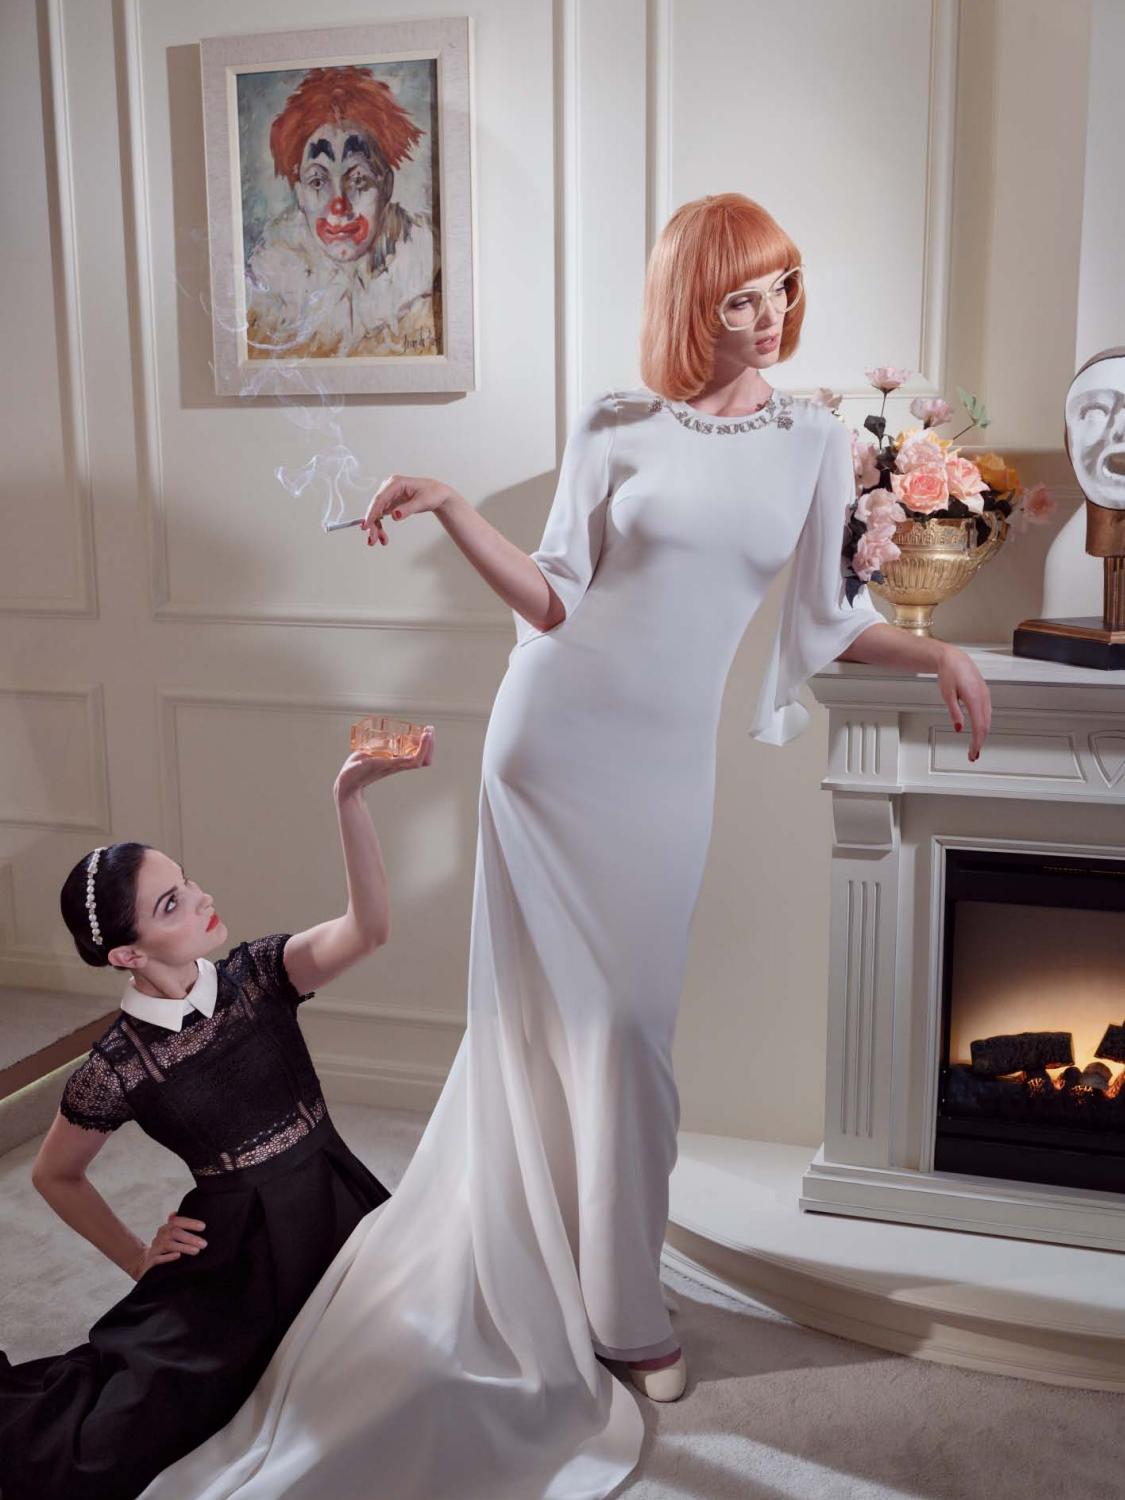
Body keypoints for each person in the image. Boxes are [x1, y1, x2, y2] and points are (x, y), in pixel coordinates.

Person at [138, 194, 992, 1500]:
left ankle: (606, 1283)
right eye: (737, 296)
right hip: (551, 747)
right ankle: (620, 1310)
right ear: (689, 304)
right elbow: (554, 598)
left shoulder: (815, 439)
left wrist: (935, 653)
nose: (766, 315)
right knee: (552, 1028)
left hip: (663, 774)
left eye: (780, 288)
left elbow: (825, 619)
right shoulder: (614, 423)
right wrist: (451, 505)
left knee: (629, 1031)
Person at [0, 733, 433, 1500]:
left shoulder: (260, 974)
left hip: (339, 1216)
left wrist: (349, 798)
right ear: (127, 955)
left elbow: (367, 928)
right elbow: (54, 1174)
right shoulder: (118, 1064)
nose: (201, 899)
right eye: (171, 903)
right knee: (94, 1453)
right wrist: (138, 1258)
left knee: (416, 1372)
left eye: (187, 882)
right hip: (230, 1271)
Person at [245, 65, 439, 359]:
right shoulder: (269, 297)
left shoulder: (425, 277)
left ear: (387, 186)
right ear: (300, 194)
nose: (339, 205)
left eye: (358, 180)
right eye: (317, 181)